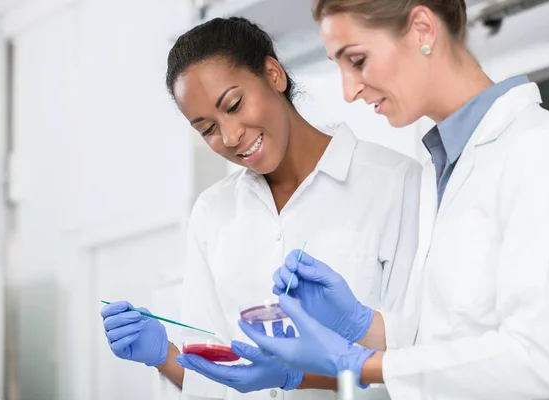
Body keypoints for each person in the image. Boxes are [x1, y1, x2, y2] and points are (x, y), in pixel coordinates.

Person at [241, 1, 549, 399]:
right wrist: (361, 324)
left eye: (356, 60)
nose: (349, 90)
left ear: (423, 29)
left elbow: (541, 362)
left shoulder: (539, 150)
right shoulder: (438, 169)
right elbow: (443, 341)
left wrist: (356, 363)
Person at [100, 16, 421, 400]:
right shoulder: (213, 211)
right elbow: (217, 375)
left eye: (234, 105)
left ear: (273, 75)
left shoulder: (395, 183)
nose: (231, 136)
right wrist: (165, 355)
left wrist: (296, 374)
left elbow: (425, 357)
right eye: (207, 129)